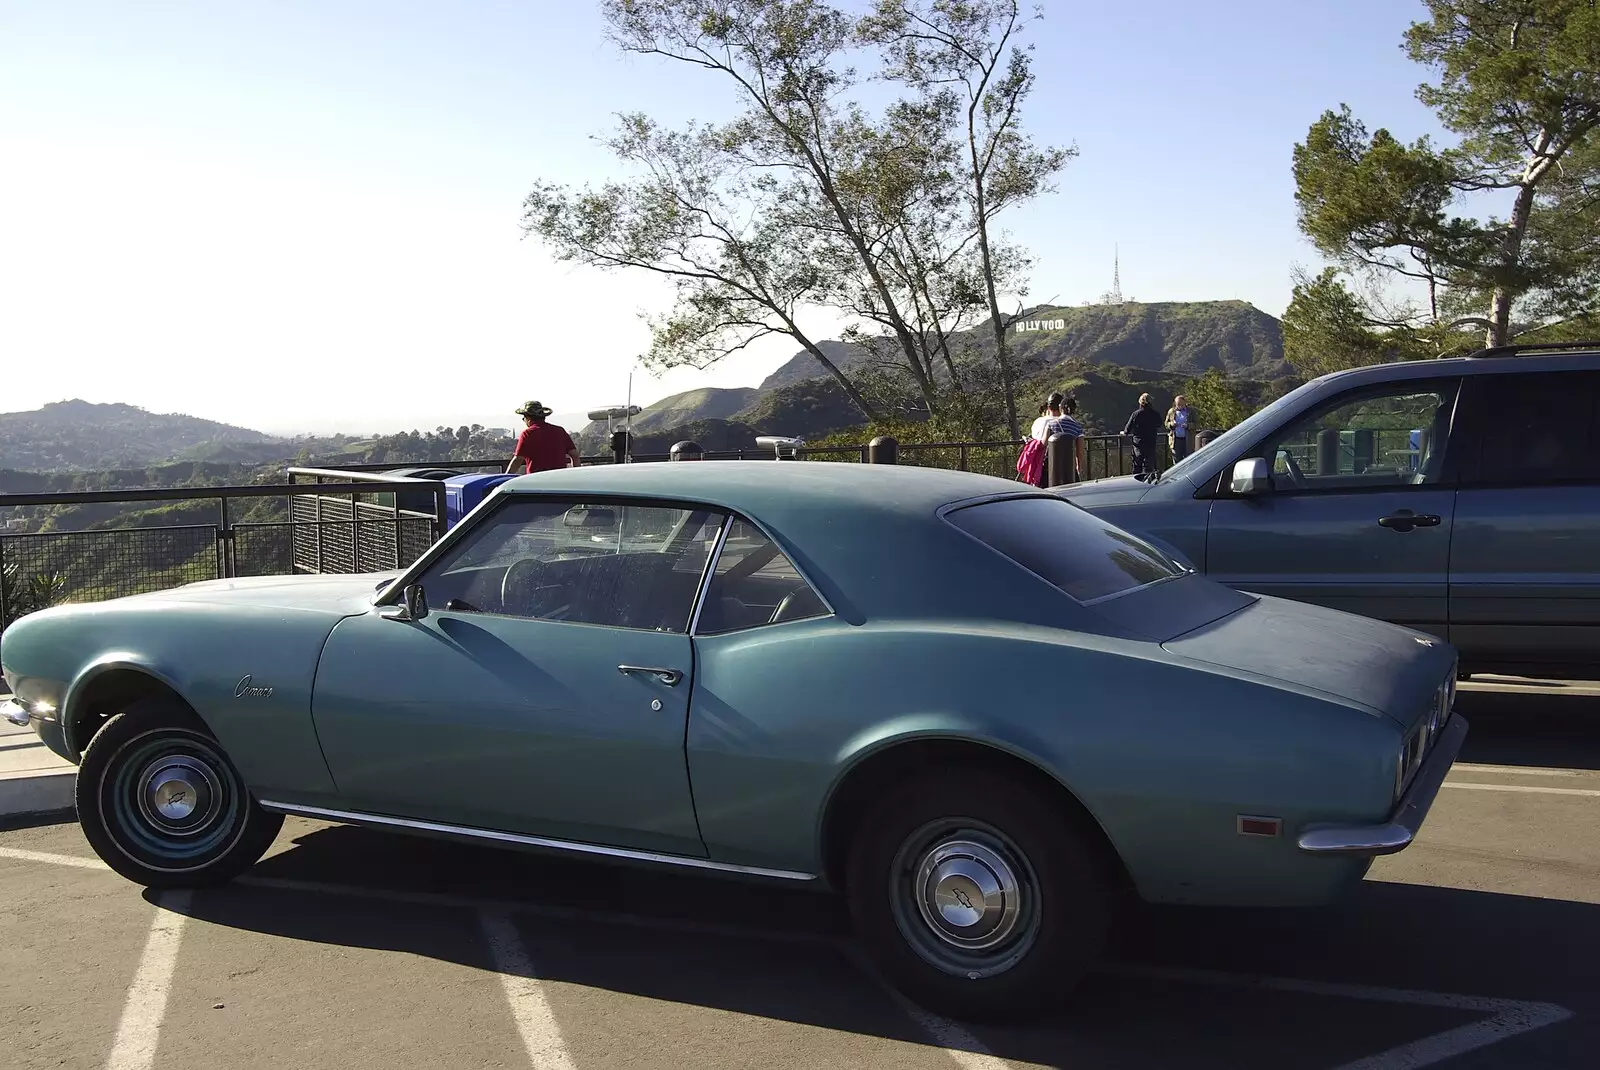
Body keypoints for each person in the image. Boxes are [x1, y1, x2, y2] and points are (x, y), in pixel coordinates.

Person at [506, 400, 580, 474]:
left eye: (524, 418)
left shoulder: (527, 434)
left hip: (537, 481)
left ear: (528, 418)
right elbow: (575, 455)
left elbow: (517, 460)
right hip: (559, 480)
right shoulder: (560, 431)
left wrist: (505, 478)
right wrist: (575, 476)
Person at [1043, 392, 1086, 484]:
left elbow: (1044, 443)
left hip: (1051, 464)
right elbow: (1080, 451)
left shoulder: (1051, 424)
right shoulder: (1077, 427)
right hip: (1068, 464)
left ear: (1060, 408)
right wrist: (1079, 466)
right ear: (1073, 411)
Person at [1122, 392, 1162, 477]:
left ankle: (1136, 483)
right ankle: (1148, 482)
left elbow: (1128, 429)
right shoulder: (1155, 414)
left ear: (1140, 402)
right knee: (1149, 465)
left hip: (1138, 442)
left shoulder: (1136, 414)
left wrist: (1124, 433)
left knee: (1137, 464)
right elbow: (1159, 424)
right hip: (1151, 441)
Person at [1166, 394, 1197, 462]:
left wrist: (1188, 425)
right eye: (1177, 404)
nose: (1179, 406)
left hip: (1187, 440)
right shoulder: (1171, 411)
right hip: (1176, 440)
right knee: (1176, 461)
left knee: (1188, 460)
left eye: (1180, 404)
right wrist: (1171, 424)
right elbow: (1166, 423)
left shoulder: (1191, 411)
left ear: (1184, 402)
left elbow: (1196, 424)